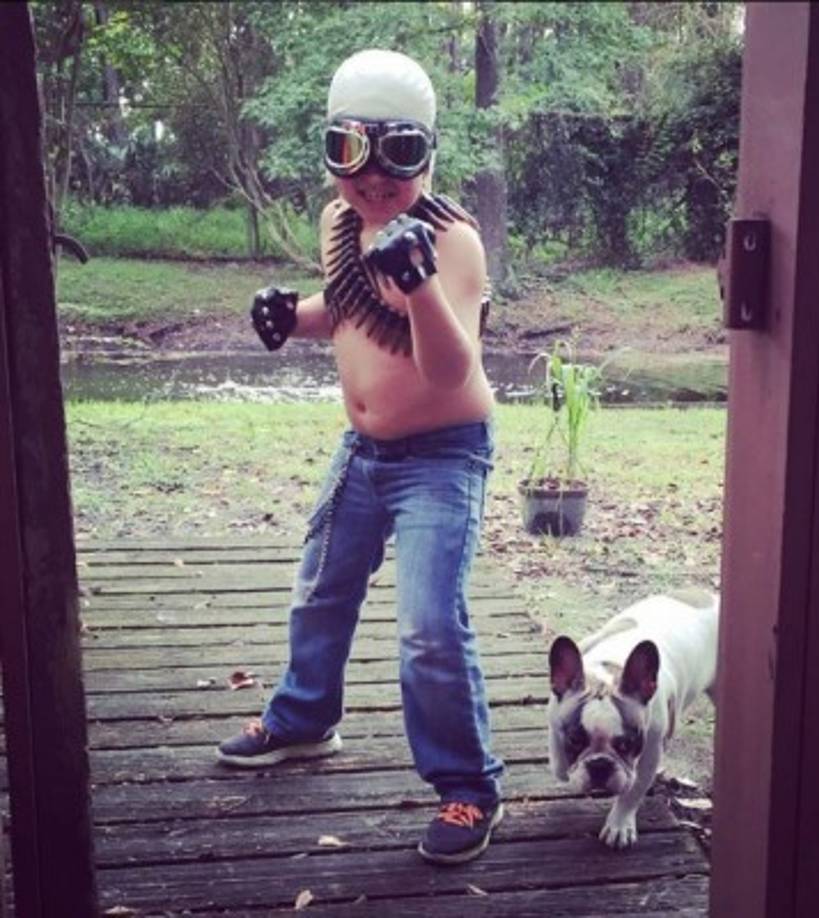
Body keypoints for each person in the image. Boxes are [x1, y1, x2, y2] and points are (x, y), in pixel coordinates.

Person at [216, 48, 504, 866]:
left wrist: (417, 284)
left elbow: (450, 367)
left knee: (428, 628)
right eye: (352, 152)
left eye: (399, 154)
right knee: (320, 587)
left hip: (443, 457)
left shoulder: (454, 245)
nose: (374, 178)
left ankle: (467, 788)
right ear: (333, 150)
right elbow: (347, 308)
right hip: (364, 450)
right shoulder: (338, 223)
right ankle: (305, 718)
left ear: (427, 156)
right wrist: (293, 316)